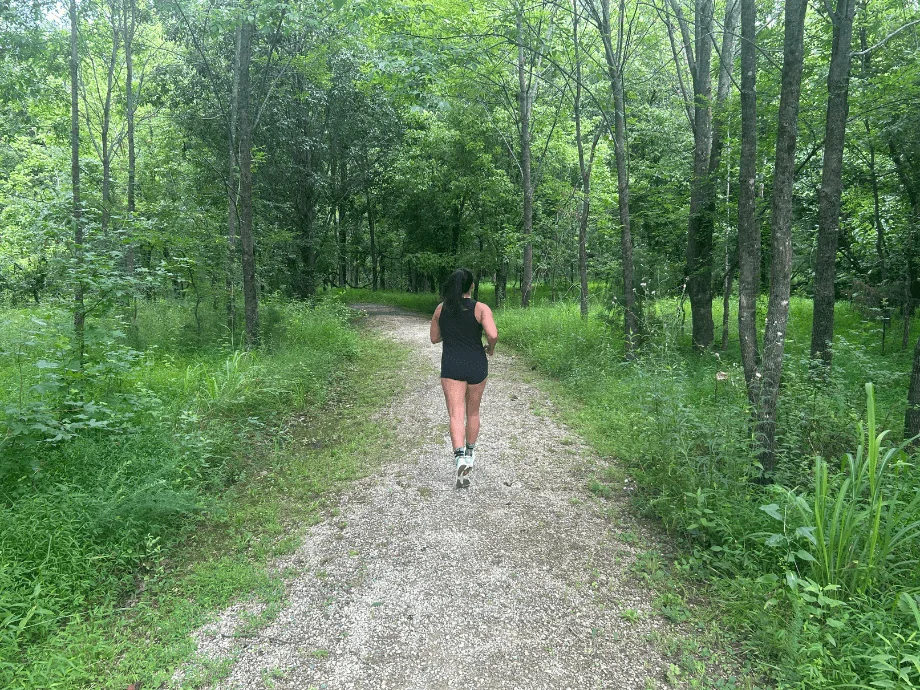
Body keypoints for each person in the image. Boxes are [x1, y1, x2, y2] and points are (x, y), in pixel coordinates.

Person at [430, 268, 499, 489]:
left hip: (451, 366)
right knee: (473, 412)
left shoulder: (442, 309)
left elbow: (434, 338)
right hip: (476, 364)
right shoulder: (481, 308)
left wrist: (449, 332)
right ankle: (470, 455)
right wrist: (491, 348)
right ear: (472, 286)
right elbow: (493, 334)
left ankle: (459, 458)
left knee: (456, 414)